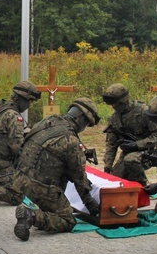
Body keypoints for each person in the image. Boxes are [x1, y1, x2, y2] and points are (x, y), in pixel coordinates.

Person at [12, 98, 101, 241]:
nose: (85, 128)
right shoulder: (71, 140)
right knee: (68, 220)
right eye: (86, 123)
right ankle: (32, 216)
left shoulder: (47, 122)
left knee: (62, 175)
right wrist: (92, 207)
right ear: (80, 119)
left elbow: (51, 149)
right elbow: (79, 179)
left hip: (19, 177)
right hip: (39, 186)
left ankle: (45, 209)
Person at [100, 83, 157, 187]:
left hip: (151, 151)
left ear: (124, 101)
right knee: (116, 179)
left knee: (131, 160)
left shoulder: (143, 112)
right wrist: (108, 165)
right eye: (112, 104)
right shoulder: (115, 118)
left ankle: (143, 186)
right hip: (129, 152)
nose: (114, 107)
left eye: (117, 104)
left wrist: (137, 144)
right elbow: (111, 144)